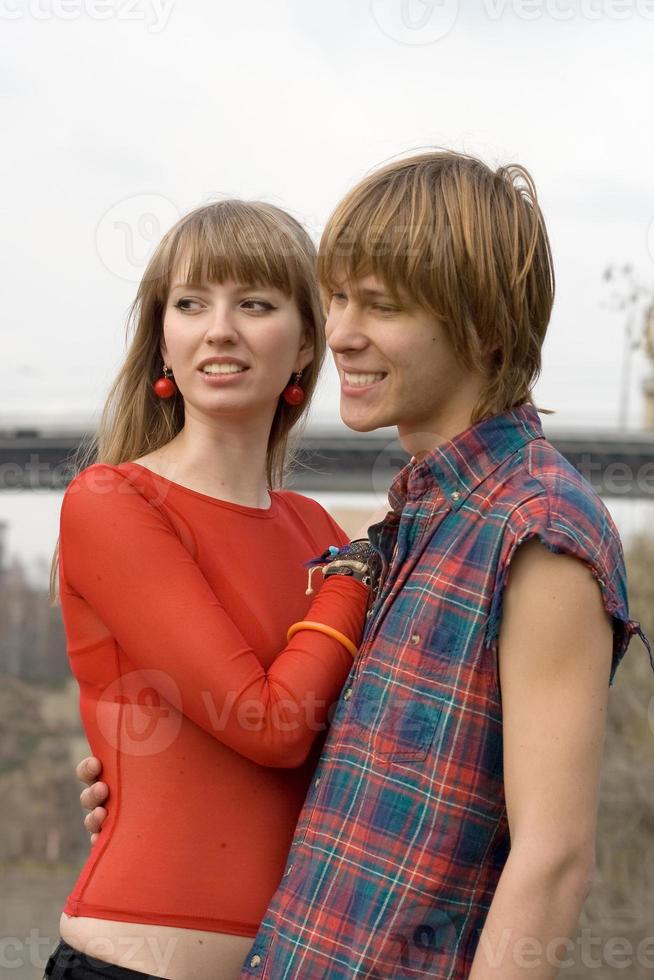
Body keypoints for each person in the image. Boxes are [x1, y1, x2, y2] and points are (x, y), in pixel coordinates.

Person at [78, 152, 653, 979]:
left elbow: (554, 861)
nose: (340, 333)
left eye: (379, 306)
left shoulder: (538, 527)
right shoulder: (410, 526)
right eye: (337, 296)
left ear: (483, 327)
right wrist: (151, 780)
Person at [45, 198, 380, 980]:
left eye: (254, 303)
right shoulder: (111, 502)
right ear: (164, 338)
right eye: (191, 303)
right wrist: (357, 573)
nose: (218, 328)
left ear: (305, 345)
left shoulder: (313, 529)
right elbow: (266, 724)